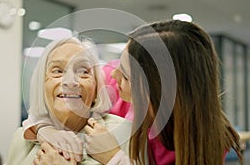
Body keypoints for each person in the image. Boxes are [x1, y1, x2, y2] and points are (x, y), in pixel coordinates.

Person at [33, 20, 244, 165]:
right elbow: (48, 107)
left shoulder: (205, 142)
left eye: (125, 75)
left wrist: (114, 158)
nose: (113, 75)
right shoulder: (112, 85)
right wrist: (47, 130)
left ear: (156, 89)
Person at [5, 37, 131, 165]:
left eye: (83, 71)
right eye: (57, 71)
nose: (70, 82)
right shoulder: (22, 137)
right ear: (42, 86)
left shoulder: (124, 133)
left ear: (97, 88)